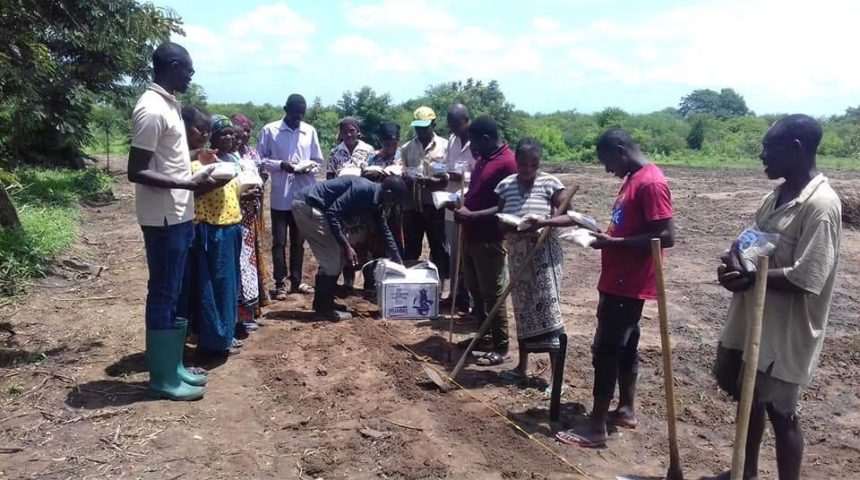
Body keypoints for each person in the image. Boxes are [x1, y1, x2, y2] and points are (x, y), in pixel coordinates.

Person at [710, 115, 841, 480]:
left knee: (782, 413)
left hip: (785, 330)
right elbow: (749, 244)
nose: (762, 155)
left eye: (769, 148)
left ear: (795, 149)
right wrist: (733, 267)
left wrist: (753, 275)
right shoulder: (775, 196)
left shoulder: (821, 205)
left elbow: (808, 276)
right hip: (752, 315)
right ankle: (744, 471)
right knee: (746, 395)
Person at [557, 128, 675, 448]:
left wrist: (615, 242)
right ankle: (625, 409)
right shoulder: (634, 180)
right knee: (625, 346)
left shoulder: (651, 182)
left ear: (621, 150)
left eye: (607, 161)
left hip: (629, 283)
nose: (608, 169)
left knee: (606, 350)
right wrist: (604, 236)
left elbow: (665, 236)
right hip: (620, 278)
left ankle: (596, 426)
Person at [128, 42, 216, 401]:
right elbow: (136, 170)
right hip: (163, 216)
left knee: (173, 291)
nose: (192, 75)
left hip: (178, 213)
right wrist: (187, 182)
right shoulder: (150, 109)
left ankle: (174, 366)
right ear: (174, 66)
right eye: (189, 69)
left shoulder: (168, 104)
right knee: (163, 292)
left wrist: (197, 157)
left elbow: (166, 158)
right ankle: (162, 377)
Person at [495, 138, 571, 382]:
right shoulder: (505, 185)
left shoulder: (551, 184)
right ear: (516, 162)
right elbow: (499, 216)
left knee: (549, 313)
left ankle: (556, 378)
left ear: (539, 164)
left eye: (533, 165)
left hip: (543, 256)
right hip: (518, 254)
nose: (527, 169)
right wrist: (508, 225)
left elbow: (570, 217)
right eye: (523, 164)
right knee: (522, 311)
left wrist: (544, 223)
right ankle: (522, 367)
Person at [292, 176, 407, 321]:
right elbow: (333, 213)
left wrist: (398, 260)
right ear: (388, 193)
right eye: (394, 200)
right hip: (308, 206)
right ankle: (324, 309)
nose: (393, 205)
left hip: (316, 208)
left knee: (336, 256)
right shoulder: (363, 190)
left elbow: (385, 230)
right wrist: (347, 246)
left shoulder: (376, 202)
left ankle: (323, 303)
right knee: (332, 258)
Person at [453, 115, 517, 366]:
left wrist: (473, 214)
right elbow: (476, 193)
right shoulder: (483, 159)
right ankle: (483, 337)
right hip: (471, 234)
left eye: (474, 142)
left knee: (493, 293)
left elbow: (509, 206)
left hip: (490, 237)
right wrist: (461, 205)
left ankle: (501, 346)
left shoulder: (508, 164)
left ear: (486, 139)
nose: (471, 147)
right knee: (475, 290)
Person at [189, 115, 253, 361]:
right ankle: (211, 342)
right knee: (211, 287)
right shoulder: (193, 162)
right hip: (210, 228)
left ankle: (224, 336)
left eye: (230, 133)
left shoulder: (222, 160)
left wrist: (244, 191)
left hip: (230, 226)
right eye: (203, 131)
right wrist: (214, 183)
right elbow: (193, 190)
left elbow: (230, 190)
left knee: (227, 286)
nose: (206, 136)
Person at [258, 94, 323, 300]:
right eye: (295, 113)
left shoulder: (309, 131)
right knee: (279, 242)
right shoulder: (270, 130)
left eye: (302, 114)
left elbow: (318, 160)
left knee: (298, 241)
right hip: (280, 196)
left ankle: (296, 281)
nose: (298, 117)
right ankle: (280, 283)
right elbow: (260, 160)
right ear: (286, 109)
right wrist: (280, 165)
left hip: (302, 195)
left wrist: (308, 167)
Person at [400, 106, 450, 284]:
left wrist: (431, 181)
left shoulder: (445, 146)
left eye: (424, 126)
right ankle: (409, 283)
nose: (420, 131)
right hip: (412, 205)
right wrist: (407, 177)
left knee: (438, 247)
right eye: (418, 127)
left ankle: (438, 284)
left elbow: (447, 177)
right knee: (412, 246)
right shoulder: (406, 148)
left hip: (435, 205)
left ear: (433, 125)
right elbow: (403, 171)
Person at [328, 117, 376, 295]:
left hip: (363, 203)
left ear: (358, 132)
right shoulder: (335, 153)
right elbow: (330, 179)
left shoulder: (368, 151)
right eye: (344, 131)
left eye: (352, 131)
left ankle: (368, 283)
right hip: (343, 205)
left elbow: (373, 175)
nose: (348, 134)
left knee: (366, 243)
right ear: (340, 133)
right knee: (346, 242)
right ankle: (348, 282)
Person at [231, 114, 267, 332]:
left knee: (250, 264)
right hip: (235, 217)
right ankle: (240, 316)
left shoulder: (251, 154)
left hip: (251, 216)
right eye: (237, 132)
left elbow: (262, 175)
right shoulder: (224, 158)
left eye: (245, 131)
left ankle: (250, 311)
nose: (242, 136)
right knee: (240, 266)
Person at [441, 103, 474, 313]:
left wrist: (461, 176)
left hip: (470, 205)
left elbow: (480, 172)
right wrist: (444, 173)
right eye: (450, 125)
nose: (453, 129)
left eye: (456, 125)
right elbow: (445, 164)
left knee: (468, 254)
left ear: (466, 121)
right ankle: (454, 295)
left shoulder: (477, 142)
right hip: (450, 204)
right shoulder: (451, 141)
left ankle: (469, 299)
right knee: (454, 254)